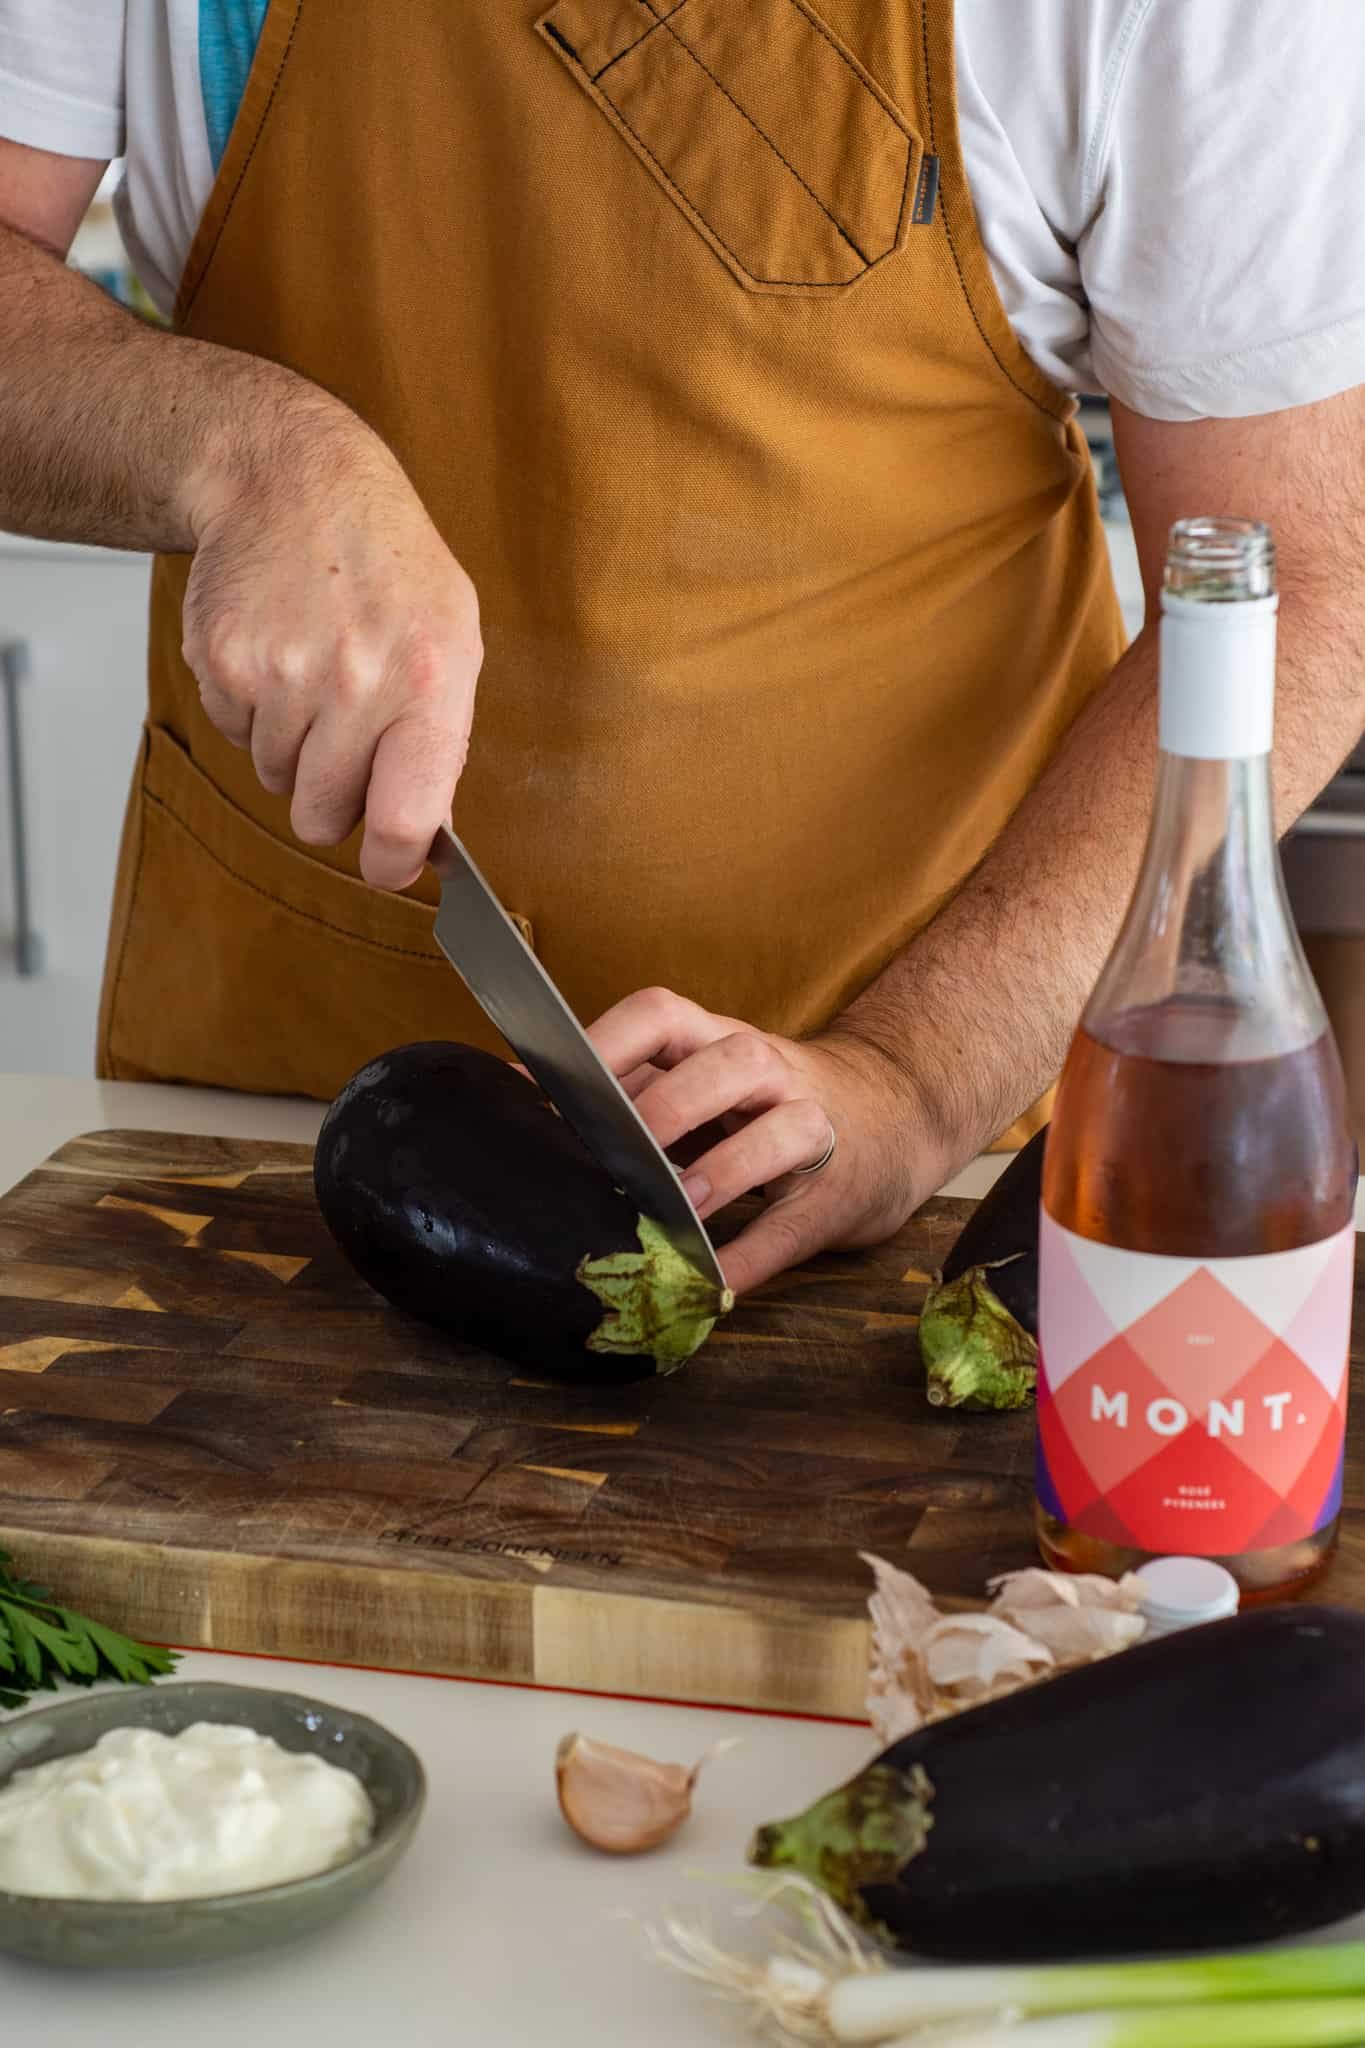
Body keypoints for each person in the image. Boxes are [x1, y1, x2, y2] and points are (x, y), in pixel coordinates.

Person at [1, 1, 1363, 1298]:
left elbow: (1298, 577)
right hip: (262, 1134)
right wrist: (245, 457)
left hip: (930, 1143)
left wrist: (909, 1077)